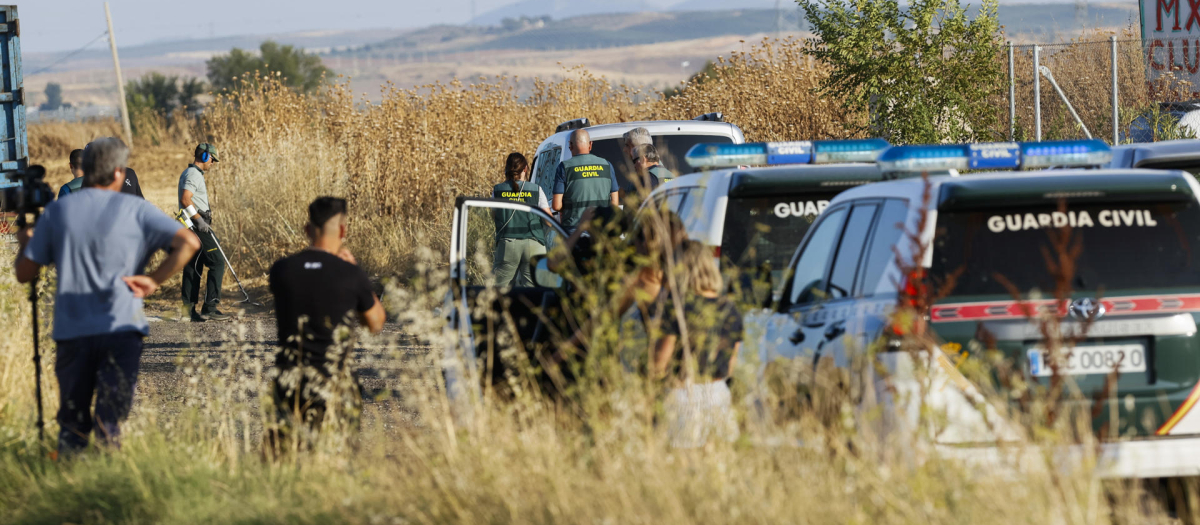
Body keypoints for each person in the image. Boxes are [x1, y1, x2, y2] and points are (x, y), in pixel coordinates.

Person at [13, 137, 201, 454]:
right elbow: (189, 243)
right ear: (119, 173)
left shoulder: (59, 211)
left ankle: (70, 477)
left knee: (72, 420)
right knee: (110, 420)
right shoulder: (137, 209)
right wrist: (153, 280)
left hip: (72, 331)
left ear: (83, 171)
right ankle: (107, 473)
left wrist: (25, 241)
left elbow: (24, 273)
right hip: (121, 328)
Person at [267, 197, 386, 452]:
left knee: (281, 459)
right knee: (337, 458)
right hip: (336, 382)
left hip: (290, 379)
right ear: (343, 230)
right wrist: (356, 274)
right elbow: (375, 323)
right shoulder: (350, 274)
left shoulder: (281, 270)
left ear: (308, 230)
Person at [653, 241, 743, 448]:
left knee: (683, 465)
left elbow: (659, 365)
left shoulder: (677, 308)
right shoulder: (730, 309)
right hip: (719, 393)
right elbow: (730, 366)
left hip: (683, 393)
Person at [178, 143, 228, 322]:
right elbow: (185, 198)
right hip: (197, 226)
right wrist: (199, 220)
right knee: (217, 262)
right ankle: (210, 307)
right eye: (212, 159)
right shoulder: (193, 174)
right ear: (205, 157)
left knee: (194, 266)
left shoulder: (190, 173)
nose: (213, 163)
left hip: (191, 226)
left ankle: (188, 310)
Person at [492, 152, 552, 288]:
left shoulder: (498, 190)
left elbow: (495, 216)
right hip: (534, 245)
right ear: (525, 169)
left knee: (499, 293)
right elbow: (549, 221)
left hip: (507, 245)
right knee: (535, 293)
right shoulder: (536, 190)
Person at [552, 128, 619, 232]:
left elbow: (556, 205)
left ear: (571, 145)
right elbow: (614, 203)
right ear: (590, 144)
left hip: (573, 229)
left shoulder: (564, 167)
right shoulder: (607, 165)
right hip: (601, 228)